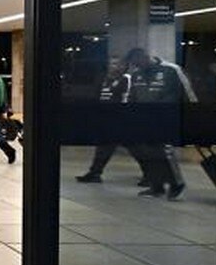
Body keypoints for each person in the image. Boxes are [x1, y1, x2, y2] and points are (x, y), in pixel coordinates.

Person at [125, 47, 197, 200]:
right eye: (134, 65)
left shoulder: (171, 70)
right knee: (147, 152)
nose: (137, 67)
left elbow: (186, 92)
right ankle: (156, 186)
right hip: (144, 120)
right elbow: (132, 97)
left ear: (145, 57)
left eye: (138, 63)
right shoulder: (136, 75)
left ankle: (176, 184)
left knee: (165, 150)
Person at [76, 58, 143, 183]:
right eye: (112, 64)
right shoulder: (104, 79)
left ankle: (151, 175)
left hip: (121, 120)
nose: (114, 67)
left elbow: (126, 98)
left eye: (117, 64)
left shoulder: (126, 79)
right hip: (107, 119)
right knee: (104, 148)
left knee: (137, 149)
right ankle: (95, 173)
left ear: (124, 66)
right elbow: (98, 97)